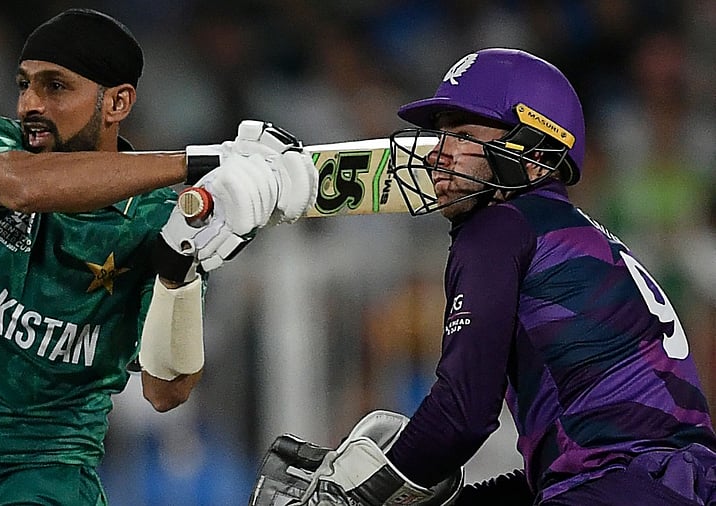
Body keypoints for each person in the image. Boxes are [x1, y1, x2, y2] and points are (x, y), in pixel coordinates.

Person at [0, 8, 317, 505]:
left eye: (55, 87)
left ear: (117, 101)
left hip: (40, 482)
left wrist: (181, 270)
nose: (30, 104)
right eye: (24, 85)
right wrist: (200, 162)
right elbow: (21, 187)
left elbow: (168, 390)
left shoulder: (160, 220)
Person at [248, 48, 716, 506]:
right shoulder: (569, 231)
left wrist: (355, 497)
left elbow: (464, 414)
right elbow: (574, 466)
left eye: (464, 134)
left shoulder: (498, 227)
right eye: (441, 134)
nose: (439, 154)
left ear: (533, 154)